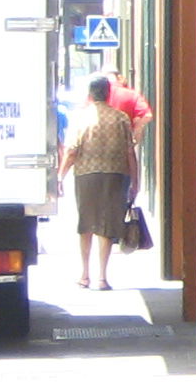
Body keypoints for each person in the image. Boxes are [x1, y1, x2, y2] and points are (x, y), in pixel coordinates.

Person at [57, 76, 137, 293]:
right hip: (116, 175)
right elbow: (130, 152)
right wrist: (135, 181)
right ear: (108, 93)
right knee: (107, 225)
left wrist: (60, 176)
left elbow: (72, 150)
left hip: (86, 175)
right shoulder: (121, 118)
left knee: (86, 223)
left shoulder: (81, 118)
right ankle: (102, 277)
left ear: (90, 94)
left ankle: (84, 275)